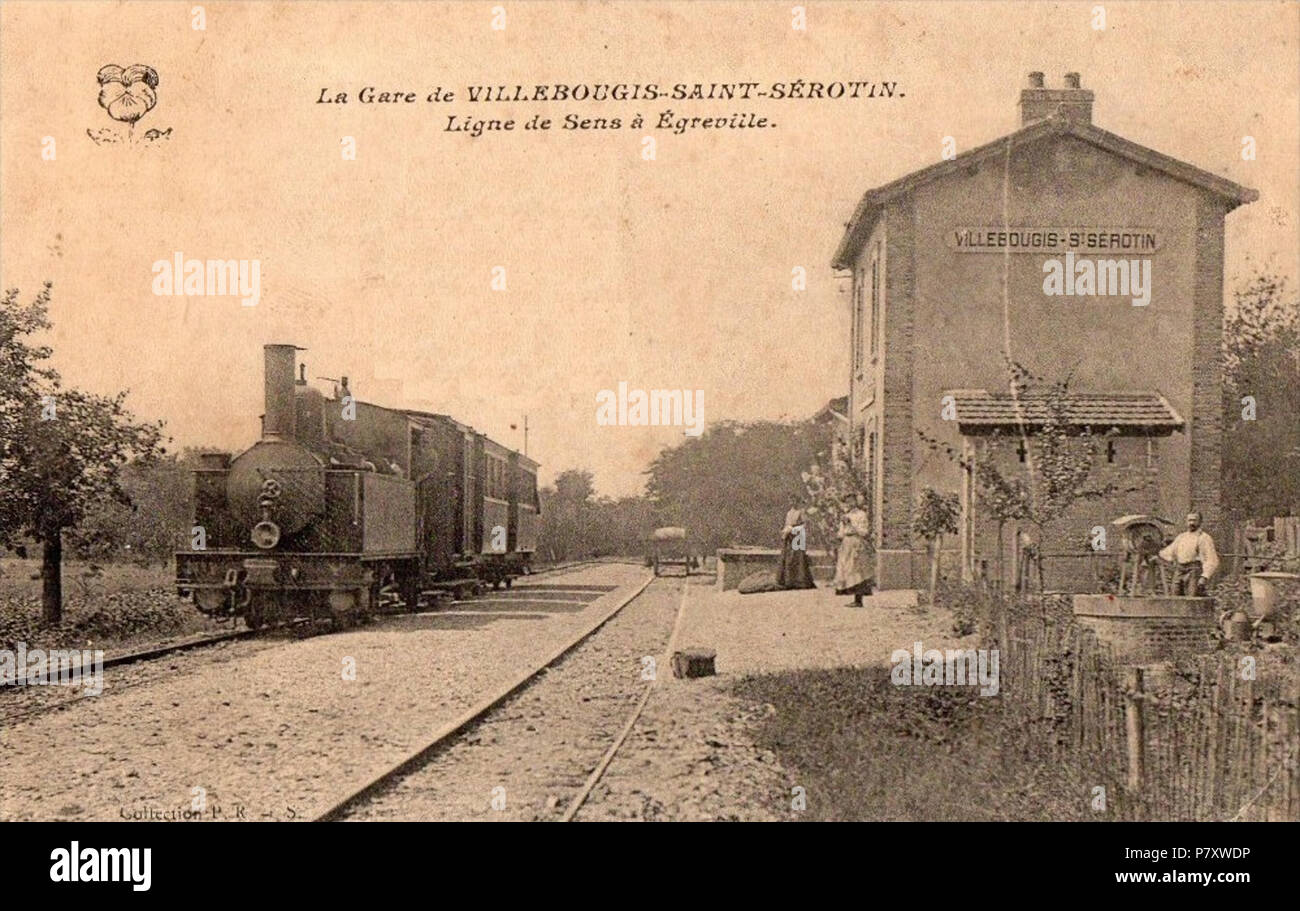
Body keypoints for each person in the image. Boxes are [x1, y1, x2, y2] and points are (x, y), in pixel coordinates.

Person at [1151, 511, 1220, 596]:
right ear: (1186, 522)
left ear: (1200, 522)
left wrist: (1204, 577)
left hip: (1194, 570)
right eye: (1189, 520)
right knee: (1175, 596)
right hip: (1179, 570)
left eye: (1194, 520)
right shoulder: (1181, 537)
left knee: (1192, 598)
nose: (1191, 523)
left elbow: (1212, 559)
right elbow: (1170, 551)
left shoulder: (1204, 538)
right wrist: (1156, 554)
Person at [833, 494, 874, 606]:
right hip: (846, 543)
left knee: (857, 570)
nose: (850, 504)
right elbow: (841, 532)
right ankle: (853, 596)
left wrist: (852, 524)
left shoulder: (861, 515)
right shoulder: (846, 515)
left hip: (856, 542)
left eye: (852, 501)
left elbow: (864, 532)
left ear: (856, 502)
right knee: (847, 569)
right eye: (847, 502)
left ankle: (858, 599)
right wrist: (840, 532)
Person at [776, 505, 816, 590]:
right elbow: (787, 524)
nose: (793, 502)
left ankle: (799, 581)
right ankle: (789, 581)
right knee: (788, 558)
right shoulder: (789, 512)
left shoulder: (801, 512)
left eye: (795, 500)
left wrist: (794, 529)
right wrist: (786, 530)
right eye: (791, 500)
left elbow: (805, 524)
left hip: (798, 536)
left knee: (798, 558)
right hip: (789, 537)